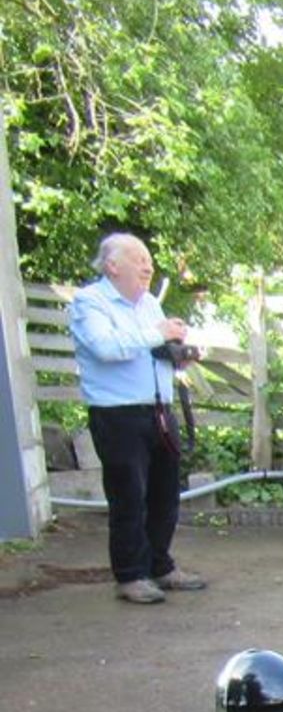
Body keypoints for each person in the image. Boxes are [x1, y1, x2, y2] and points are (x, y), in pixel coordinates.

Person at [69, 233, 209, 604]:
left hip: (158, 410)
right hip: (117, 414)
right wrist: (156, 333)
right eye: (139, 259)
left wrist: (176, 352)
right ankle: (130, 575)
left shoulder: (148, 304)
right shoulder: (90, 303)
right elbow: (105, 347)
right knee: (129, 495)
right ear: (112, 265)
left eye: (148, 260)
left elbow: (150, 348)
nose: (148, 266)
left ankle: (160, 565)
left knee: (166, 493)